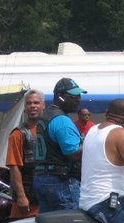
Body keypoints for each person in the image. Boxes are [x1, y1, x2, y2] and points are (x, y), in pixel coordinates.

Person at [33, 78, 86, 213]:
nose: (78, 99)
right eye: (74, 96)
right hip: (60, 180)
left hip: (42, 179)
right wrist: (90, 143)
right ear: (61, 97)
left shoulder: (46, 116)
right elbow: (72, 153)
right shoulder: (62, 120)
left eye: (79, 95)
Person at [6, 89, 45, 218]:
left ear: (43, 106)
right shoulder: (18, 134)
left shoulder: (49, 130)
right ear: (25, 108)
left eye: (36, 102)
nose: (33, 106)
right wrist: (22, 197)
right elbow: (14, 166)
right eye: (29, 103)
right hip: (28, 202)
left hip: (47, 199)